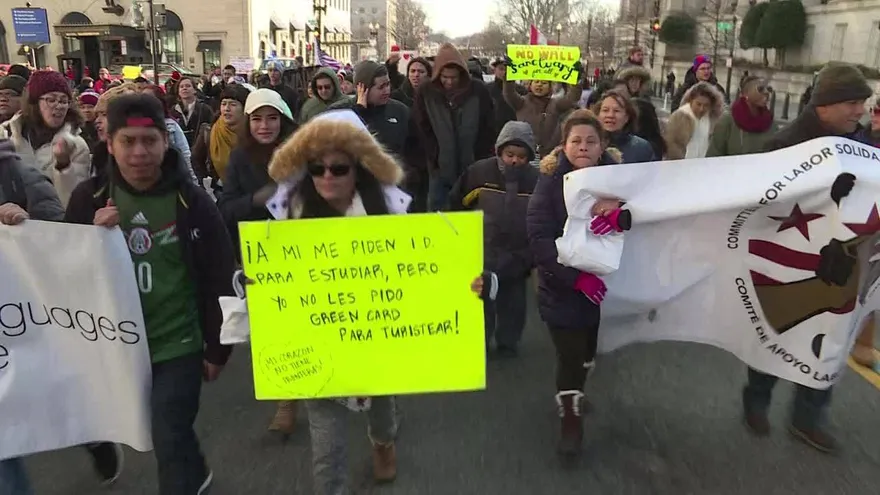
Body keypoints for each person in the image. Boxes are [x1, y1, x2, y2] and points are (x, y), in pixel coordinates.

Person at [65, 93, 237, 493]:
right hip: (116, 345)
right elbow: (59, 270)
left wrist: (217, 346)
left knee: (167, 429)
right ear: (109, 144)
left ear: (165, 141)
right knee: (164, 435)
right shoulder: (86, 200)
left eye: (150, 141)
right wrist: (20, 227)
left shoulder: (193, 202)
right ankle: (197, 475)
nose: (140, 152)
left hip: (178, 343)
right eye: (128, 142)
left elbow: (220, 275)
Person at [742, 62, 874, 454]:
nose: (860, 111)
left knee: (829, 343)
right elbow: (760, 202)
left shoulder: (859, 144)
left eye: (863, 103)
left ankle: (808, 418)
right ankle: (757, 399)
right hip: (791, 265)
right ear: (825, 104)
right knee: (779, 334)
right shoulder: (785, 145)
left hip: (842, 266)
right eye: (852, 102)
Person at [0, 137, 121, 494]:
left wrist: (22, 225)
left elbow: (60, 234)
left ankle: (88, 434)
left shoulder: (13, 172)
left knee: (46, 391)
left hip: (24, 305)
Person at [526, 109, 623, 458]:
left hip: (606, 290)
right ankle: (570, 419)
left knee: (587, 353)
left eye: (591, 141)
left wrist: (621, 215)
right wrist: (574, 277)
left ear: (602, 147)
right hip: (560, 289)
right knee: (569, 355)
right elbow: (538, 238)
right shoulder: (550, 183)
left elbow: (646, 218)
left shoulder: (619, 182)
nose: (583, 147)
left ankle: (577, 392)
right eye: (576, 141)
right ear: (564, 146)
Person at [448, 121, 539, 357]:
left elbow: (542, 218)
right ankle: (480, 342)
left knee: (514, 303)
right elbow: (457, 204)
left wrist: (530, 256)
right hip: (482, 250)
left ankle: (508, 342)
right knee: (481, 300)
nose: (515, 161)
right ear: (499, 151)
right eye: (509, 154)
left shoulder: (537, 180)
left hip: (518, 255)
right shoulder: (479, 172)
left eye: (521, 156)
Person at [413, 43, 495, 211]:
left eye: (454, 77)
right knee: (439, 215)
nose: (449, 82)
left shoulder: (478, 90)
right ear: (437, 74)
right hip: (440, 168)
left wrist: (481, 155)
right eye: (444, 77)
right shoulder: (426, 92)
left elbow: (488, 125)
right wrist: (434, 156)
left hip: (473, 166)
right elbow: (422, 127)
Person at [0, 70, 90, 207]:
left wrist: (64, 166)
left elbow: (74, 202)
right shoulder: (5, 135)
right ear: (34, 103)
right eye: (51, 100)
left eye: (64, 101)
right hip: (10, 222)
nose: (59, 106)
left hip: (52, 223)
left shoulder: (76, 144)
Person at [503, 70, 583, 160]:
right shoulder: (521, 102)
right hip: (525, 152)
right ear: (530, 84)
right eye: (536, 82)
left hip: (550, 154)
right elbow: (509, 93)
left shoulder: (556, 104)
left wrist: (576, 81)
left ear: (550, 87)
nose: (539, 85)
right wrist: (508, 77)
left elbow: (572, 98)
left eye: (544, 83)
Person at [192, 84, 251, 186]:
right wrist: (208, 182)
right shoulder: (209, 131)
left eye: (233, 104)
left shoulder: (254, 132)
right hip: (219, 193)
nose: (226, 109)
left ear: (244, 108)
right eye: (223, 104)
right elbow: (196, 160)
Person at [707, 76, 777, 157]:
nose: (766, 92)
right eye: (760, 89)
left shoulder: (769, 121)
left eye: (769, 89)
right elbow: (714, 155)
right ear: (745, 94)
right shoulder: (728, 121)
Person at [611, 67, 666, 158]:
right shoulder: (615, 102)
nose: (635, 83)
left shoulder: (645, 105)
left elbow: (654, 134)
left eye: (638, 80)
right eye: (632, 80)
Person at [664, 82, 724, 160]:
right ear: (691, 101)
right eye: (698, 104)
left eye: (706, 105)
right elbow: (671, 144)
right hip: (683, 164)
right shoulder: (680, 116)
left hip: (703, 164)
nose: (701, 109)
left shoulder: (712, 118)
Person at [593, 90, 656, 163]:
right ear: (597, 115)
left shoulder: (642, 148)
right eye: (605, 110)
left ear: (627, 117)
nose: (610, 115)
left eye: (616, 111)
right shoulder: (588, 145)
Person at [171, 77, 215, 147]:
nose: (184, 88)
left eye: (188, 86)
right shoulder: (173, 110)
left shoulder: (205, 109)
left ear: (195, 90)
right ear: (178, 92)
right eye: (181, 87)